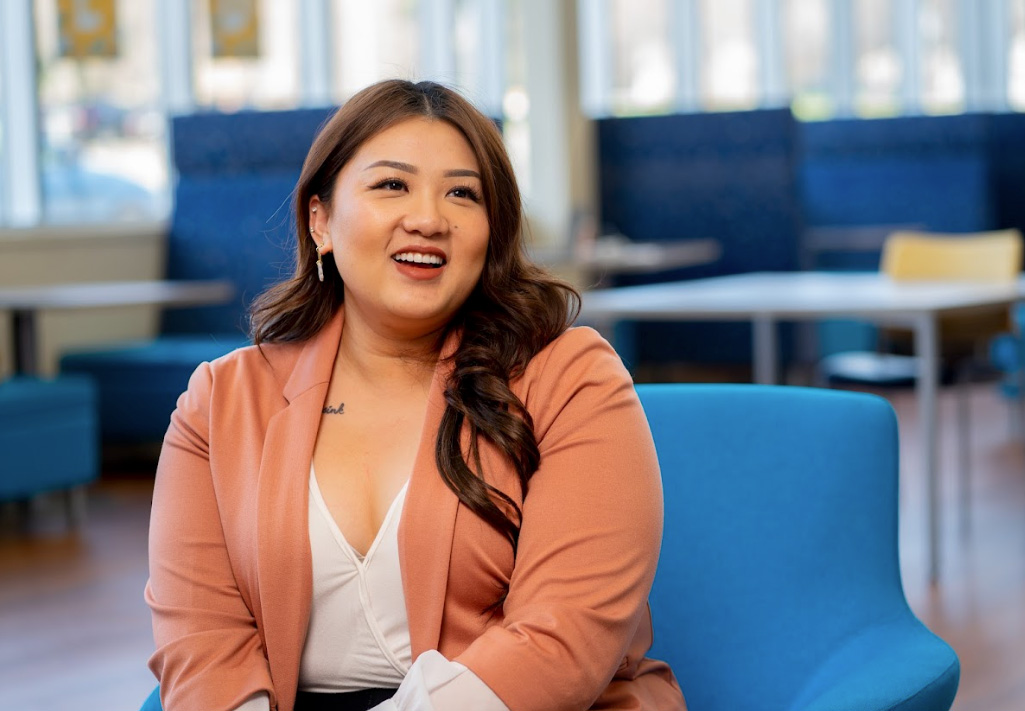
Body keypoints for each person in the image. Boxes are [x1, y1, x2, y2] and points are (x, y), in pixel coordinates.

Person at [145, 79, 686, 711]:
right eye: (390, 184)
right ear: (320, 220)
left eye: (463, 193)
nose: (429, 219)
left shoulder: (572, 377)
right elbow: (201, 639)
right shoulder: (221, 399)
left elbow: (563, 640)